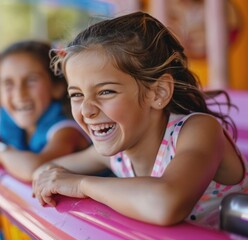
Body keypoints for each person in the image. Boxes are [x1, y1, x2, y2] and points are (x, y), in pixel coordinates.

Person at [32, 12, 248, 228]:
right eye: (77, 95)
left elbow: (165, 204)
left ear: (158, 93)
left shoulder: (199, 130)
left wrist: (81, 185)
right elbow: (45, 172)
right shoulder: (117, 156)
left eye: (106, 92)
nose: (87, 110)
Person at [0, 40, 90, 181]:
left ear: (57, 86)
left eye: (31, 80)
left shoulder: (66, 131)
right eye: (8, 83)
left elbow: (35, 168)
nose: (19, 94)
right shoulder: (7, 118)